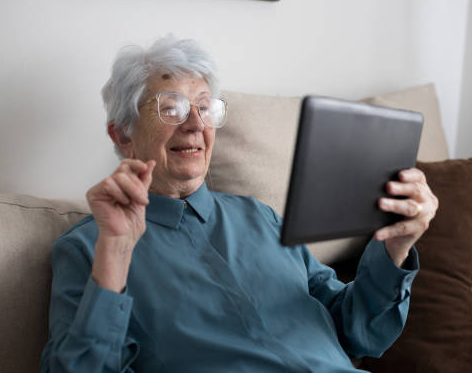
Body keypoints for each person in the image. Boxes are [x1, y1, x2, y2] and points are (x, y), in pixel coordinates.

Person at [40, 35, 438, 373]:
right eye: (171, 107)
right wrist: (116, 252)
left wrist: (395, 245)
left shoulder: (261, 217)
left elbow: (359, 331)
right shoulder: (91, 249)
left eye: (204, 106)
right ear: (122, 133)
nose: (195, 124)